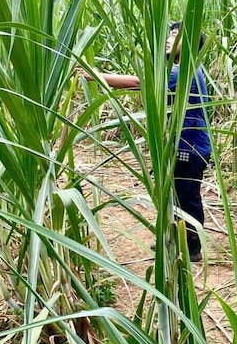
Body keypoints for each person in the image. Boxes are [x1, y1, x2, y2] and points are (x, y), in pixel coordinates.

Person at [79, 22, 211, 263]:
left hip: (188, 148)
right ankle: (174, 238)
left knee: (187, 196)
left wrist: (95, 75)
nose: (169, 39)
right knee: (174, 193)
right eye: (169, 34)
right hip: (180, 145)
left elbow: (139, 83)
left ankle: (192, 247)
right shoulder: (184, 69)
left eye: (176, 35)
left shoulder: (184, 70)